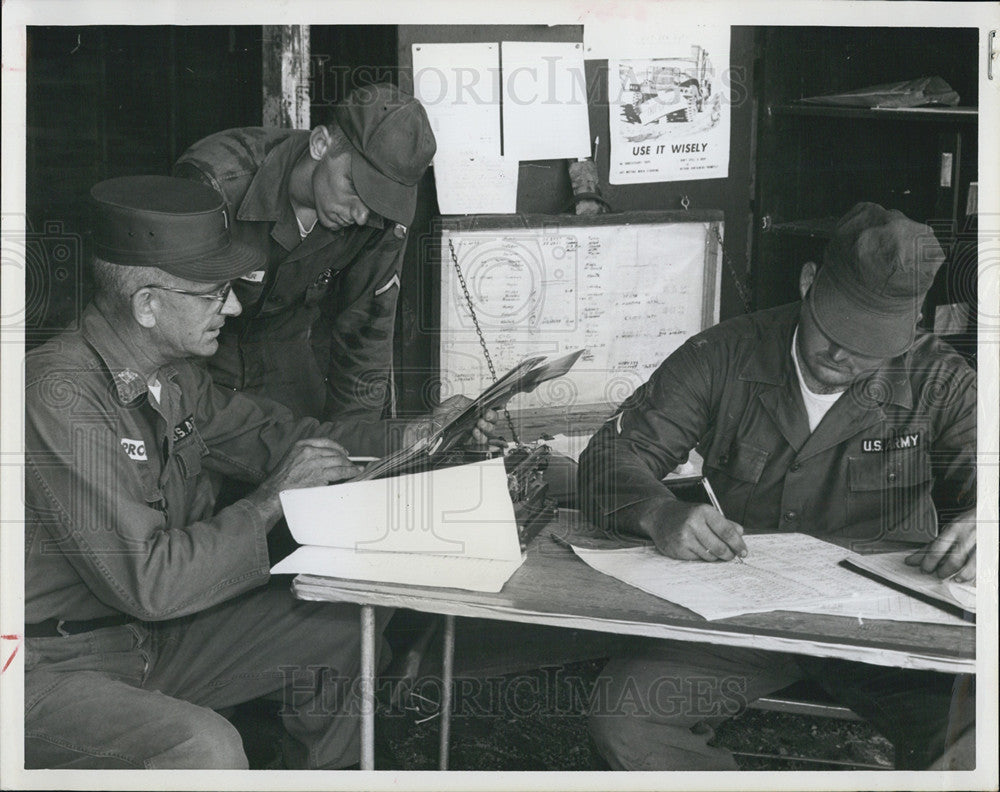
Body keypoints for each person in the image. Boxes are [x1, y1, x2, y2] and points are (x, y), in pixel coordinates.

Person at [23, 175, 495, 770]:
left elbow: (280, 439)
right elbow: (151, 582)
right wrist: (270, 501)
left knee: (343, 623)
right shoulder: (55, 396)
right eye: (215, 292)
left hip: (149, 641)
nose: (237, 306)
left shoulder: (172, 375)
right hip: (47, 669)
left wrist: (413, 435)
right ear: (148, 304)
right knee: (204, 746)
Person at [578, 202, 976, 770]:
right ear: (809, 282)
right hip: (741, 618)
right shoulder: (722, 354)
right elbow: (611, 454)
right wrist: (659, 514)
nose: (842, 354)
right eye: (833, 328)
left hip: (890, 626)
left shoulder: (943, 381)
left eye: (871, 342)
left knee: (980, 734)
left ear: (912, 325)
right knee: (629, 717)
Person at [173, 82, 436, 429]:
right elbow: (169, 318)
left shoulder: (378, 219)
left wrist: (352, 452)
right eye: (356, 188)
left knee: (322, 461)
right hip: (197, 353)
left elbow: (366, 336)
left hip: (286, 353)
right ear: (320, 144)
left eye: (379, 203)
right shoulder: (217, 182)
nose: (361, 216)